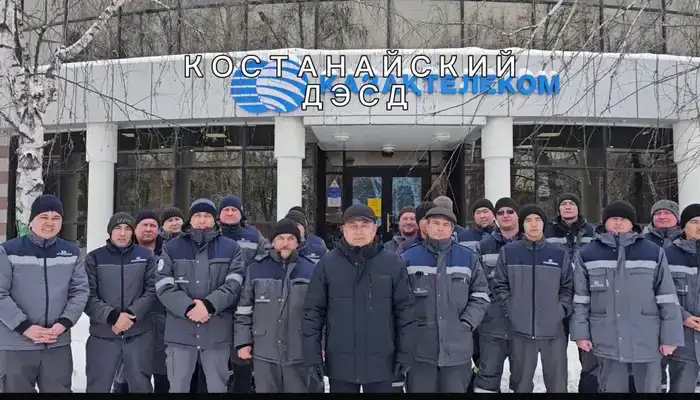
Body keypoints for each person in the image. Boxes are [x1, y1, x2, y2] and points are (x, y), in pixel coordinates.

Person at [571, 200, 683, 393]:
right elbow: (581, 299)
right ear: (605, 221)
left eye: (623, 219)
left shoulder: (652, 252)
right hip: (606, 338)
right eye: (613, 218)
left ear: (632, 223)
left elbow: (666, 297)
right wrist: (581, 334)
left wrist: (670, 337)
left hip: (647, 339)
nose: (618, 222)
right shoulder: (587, 254)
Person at [302, 203, 417, 393]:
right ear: (343, 229)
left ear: (374, 229)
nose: (359, 231)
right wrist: (312, 356)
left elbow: (406, 312)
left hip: (382, 363)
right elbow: (313, 314)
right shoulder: (327, 264)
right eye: (353, 226)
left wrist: (405, 353)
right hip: (341, 365)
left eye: (364, 225)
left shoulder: (392, 263)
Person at [155, 198, 246, 393]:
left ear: (215, 220)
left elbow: (234, 284)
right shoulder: (172, 248)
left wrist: (209, 306)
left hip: (216, 333)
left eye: (207, 216)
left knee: (217, 388)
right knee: (178, 388)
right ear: (190, 219)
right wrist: (189, 307)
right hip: (180, 333)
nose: (202, 220)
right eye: (197, 215)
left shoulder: (231, 248)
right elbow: (163, 285)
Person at [0, 194, 89, 392]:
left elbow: (80, 291)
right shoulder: (8, 251)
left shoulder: (72, 253)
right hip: (17, 344)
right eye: (44, 217)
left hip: (56, 343)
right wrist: (24, 327)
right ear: (31, 220)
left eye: (56, 218)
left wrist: (63, 323)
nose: (50, 223)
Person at [401, 207, 490, 392]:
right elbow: (399, 298)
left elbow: (481, 294)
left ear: (452, 229)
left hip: (458, 350)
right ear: (426, 226)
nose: (440, 228)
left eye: (446, 224)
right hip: (420, 351)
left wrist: (467, 322)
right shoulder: (408, 257)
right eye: (435, 223)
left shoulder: (468, 258)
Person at [493, 204, 572, 393]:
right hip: (520, 332)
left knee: (558, 385)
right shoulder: (509, 252)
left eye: (537, 220)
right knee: (520, 384)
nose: (533, 224)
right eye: (528, 220)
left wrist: (560, 310)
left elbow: (568, 287)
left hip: (553, 331)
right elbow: (500, 285)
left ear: (544, 224)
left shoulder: (558, 253)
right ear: (522, 225)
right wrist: (511, 308)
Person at [234, 219, 319, 393]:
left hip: (299, 352)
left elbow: (319, 312)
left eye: (291, 238)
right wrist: (243, 342)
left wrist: (320, 344)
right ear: (272, 241)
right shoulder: (256, 269)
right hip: (264, 352)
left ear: (298, 242)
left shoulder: (312, 270)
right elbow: (244, 309)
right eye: (280, 238)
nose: (285, 243)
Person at [84, 212, 157, 392]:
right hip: (103, 334)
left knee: (141, 385)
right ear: (110, 231)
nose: (123, 233)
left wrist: (130, 316)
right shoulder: (94, 258)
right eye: (118, 228)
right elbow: (87, 296)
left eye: (127, 229)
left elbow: (152, 291)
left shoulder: (146, 256)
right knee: (97, 385)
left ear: (133, 232)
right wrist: (113, 317)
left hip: (139, 333)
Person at [543, 193, 596, 393]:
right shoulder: (548, 231)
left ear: (578, 208)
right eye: (563, 203)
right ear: (558, 208)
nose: (567, 206)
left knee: (589, 350)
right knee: (555, 352)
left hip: (586, 299)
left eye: (571, 203)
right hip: (557, 297)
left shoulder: (591, 231)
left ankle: (589, 388)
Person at [217, 194, 267, 393]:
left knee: (242, 355)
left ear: (241, 213)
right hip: (216, 305)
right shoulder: (211, 235)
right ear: (219, 214)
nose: (230, 213)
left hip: (244, 305)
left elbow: (264, 263)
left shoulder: (254, 236)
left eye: (234, 209)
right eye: (226, 210)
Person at [472, 197, 521, 393]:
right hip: (492, 325)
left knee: (522, 381)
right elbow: (478, 284)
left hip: (523, 327)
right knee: (487, 379)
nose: (505, 216)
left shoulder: (530, 243)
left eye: (510, 211)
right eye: (500, 212)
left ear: (518, 215)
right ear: (496, 217)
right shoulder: (483, 246)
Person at [663, 203, 700, 393]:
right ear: (683, 226)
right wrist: (684, 316)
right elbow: (661, 293)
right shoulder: (668, 254)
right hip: (683, 340)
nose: (699, 226)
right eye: (694, 222)